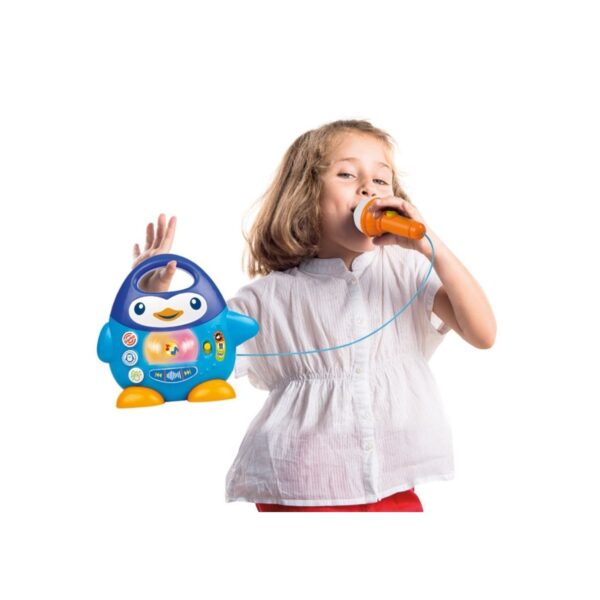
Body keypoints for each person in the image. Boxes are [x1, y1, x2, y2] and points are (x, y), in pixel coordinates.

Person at [131, 119, 496, 512]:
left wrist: (429, 244)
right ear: (307, 195)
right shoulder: (268, 298)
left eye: (381, 179)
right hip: (300, 488)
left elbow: (483, 333)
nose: (368, 188)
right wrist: (152, 300)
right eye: (347, 174)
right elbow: (190, 360)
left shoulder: (407, 272)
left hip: (392, 484)